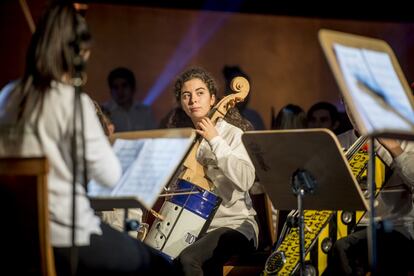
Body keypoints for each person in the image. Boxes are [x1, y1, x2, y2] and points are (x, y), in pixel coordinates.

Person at [0, 3, 174, 275]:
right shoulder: (71, 101)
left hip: (18, 238)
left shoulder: (7, 96)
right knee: (164, 267)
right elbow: (109, 175)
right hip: (67, 238)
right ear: (77, 56)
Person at [165, 67, 258, 275]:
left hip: (234, 226)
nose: (193, 100)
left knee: (189, 259)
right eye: (186, 95)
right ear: (181, 103)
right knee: (158, 257)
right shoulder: (187, 140)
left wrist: (215, 139)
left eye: (200, 93)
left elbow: (245, 180)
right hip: (195, 227)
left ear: (213, 98)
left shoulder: (232, 134)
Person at [324, 103, 414, 275]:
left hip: (394, 227)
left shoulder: (406, 139)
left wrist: (394, 149)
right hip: (348, 227)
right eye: (349, 103)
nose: (356, 110)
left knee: (347, 249)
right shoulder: (337, 143)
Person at [102, 67, 157, 132]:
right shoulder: (103, 112)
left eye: (124, 86)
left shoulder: (145, 111)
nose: (120, 91)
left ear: (133, 88)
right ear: (111, 91)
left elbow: (153, 136)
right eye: (115, 87)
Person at [222, 65, 266, 130]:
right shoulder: (220, 116)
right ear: (227, 91)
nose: (243, 96)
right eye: (236, 90)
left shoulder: (254, 117)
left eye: (246, 91)